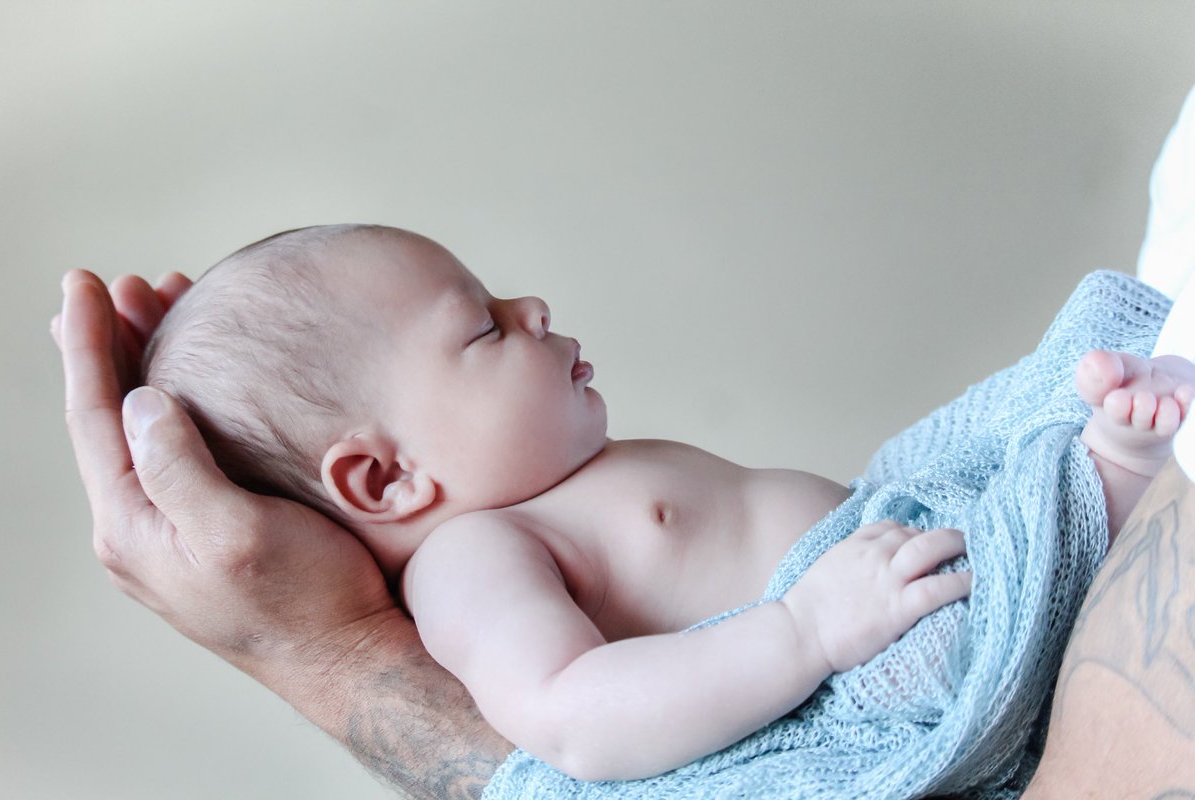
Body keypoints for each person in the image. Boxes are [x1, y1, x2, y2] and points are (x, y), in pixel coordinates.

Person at [59, 223, 1192, 786]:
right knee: (989, 565)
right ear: (386, 479)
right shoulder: (475, 559)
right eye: (484, 326)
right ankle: (1112, 464)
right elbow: (579, 717)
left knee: (1005, 428)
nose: (533, 303)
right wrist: (802, 631)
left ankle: (1108, 457)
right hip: (851, 660)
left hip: (883, 544)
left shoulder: (558, 489)